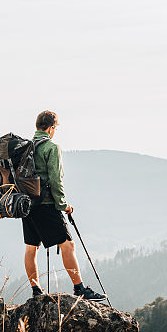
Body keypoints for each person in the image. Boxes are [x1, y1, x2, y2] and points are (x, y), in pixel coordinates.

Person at [23, 110, 107, 301]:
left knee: (31, 248)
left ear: (37, 126)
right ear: (52, 128)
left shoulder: (26, 147)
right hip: (46, 205)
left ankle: (36, 290)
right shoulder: (51, 147)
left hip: (27, 206)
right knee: (68, 245)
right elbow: (55, 179)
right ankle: (79, 289)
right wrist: (63, 205)